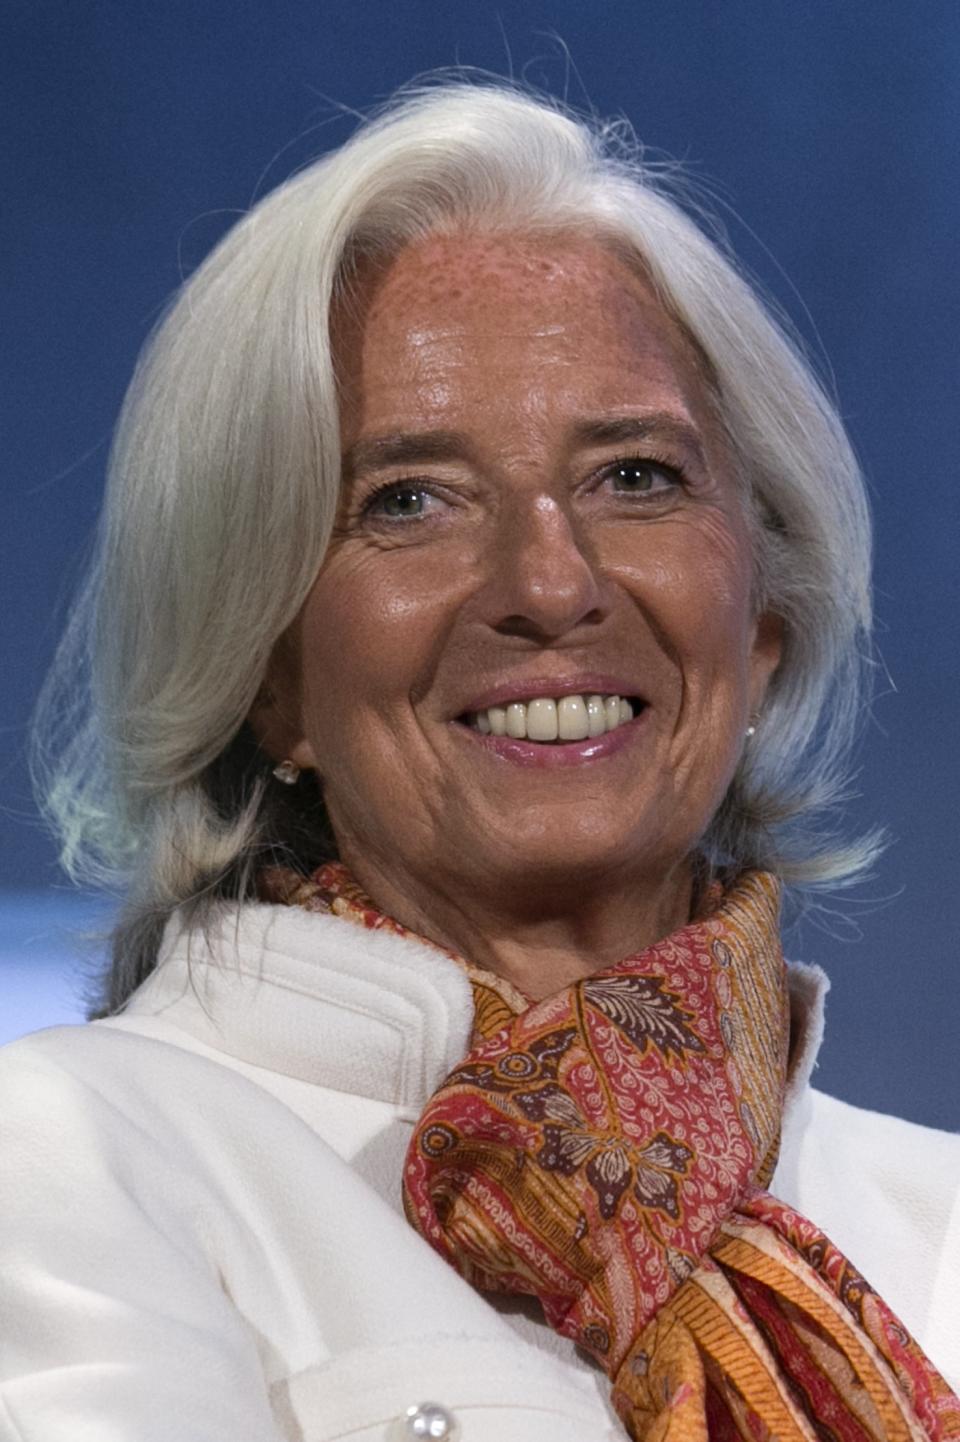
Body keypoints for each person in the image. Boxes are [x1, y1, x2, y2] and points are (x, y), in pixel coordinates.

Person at [4, 81, 957, 1441]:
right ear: (265, 672)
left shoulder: (941, 1228)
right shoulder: (72, 1162)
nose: (550, 582)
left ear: (764, 627)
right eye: (411, 500)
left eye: (635, 475)